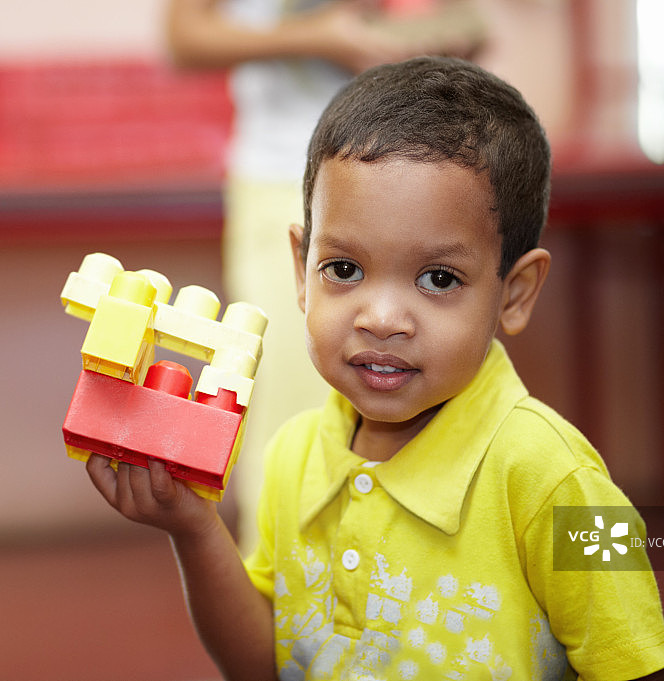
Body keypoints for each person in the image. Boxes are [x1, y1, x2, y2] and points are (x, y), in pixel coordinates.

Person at [86, 57, 664, 680]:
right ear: (301, 269)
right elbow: (265, 664)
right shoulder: (293, 458)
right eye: (343, 269)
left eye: (438, 279)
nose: (383, 317)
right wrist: (194, 529)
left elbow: (642, 669)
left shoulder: (560, 479)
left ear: (515, 292)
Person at [166, 0, 484, 553]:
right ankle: (281, 585)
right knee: (291, 406)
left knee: (419, 401)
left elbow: (469, 24)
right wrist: (319, 36)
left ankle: (400, 578)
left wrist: (404, 42)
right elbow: (184, 36)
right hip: (282, 179)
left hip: (403, 175)